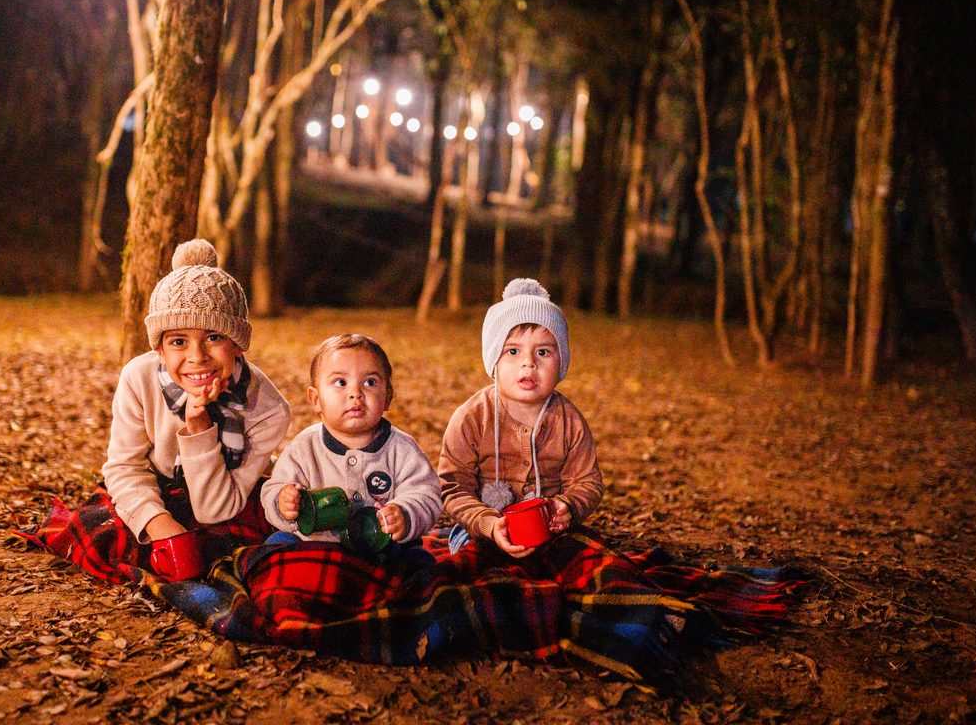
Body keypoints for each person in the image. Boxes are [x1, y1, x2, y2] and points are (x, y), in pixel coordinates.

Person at [101, 239, 291, 581]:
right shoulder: (138, 378)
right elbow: (124, 468)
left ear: (237, 343)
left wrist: (199, 427)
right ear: (159, 349)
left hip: (225, 500)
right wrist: (159, 525)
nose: (197, 356)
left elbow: (215, 510)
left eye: (214, 337)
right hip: (155, 487)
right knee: (101, 531)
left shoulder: (268, 409)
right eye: (178, 341)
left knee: (245, 554)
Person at [438, 278, 603, 557]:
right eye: (513, 351)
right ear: (494, 363)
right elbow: (453, 486)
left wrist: (568, 507)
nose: (529, 362)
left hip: (551, 532)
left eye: (543, 352)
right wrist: (487, 523)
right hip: (483, 531)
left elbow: (587, 481)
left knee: (586, 558)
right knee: (476, 564)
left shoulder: (569, 421)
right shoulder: (472, 417)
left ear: (560, 362)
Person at [262, 334, 441, 559]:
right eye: (341, 383)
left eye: (370, 382)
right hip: (316, 546)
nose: (356, 393)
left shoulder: (402, 450)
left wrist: (405, 514)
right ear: (316, 399)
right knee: (275, 547)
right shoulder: (303, 448)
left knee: (418, 560)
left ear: (387, 397)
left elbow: (427, 494)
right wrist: (283, 502)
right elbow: (272, 489)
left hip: (383, 548)